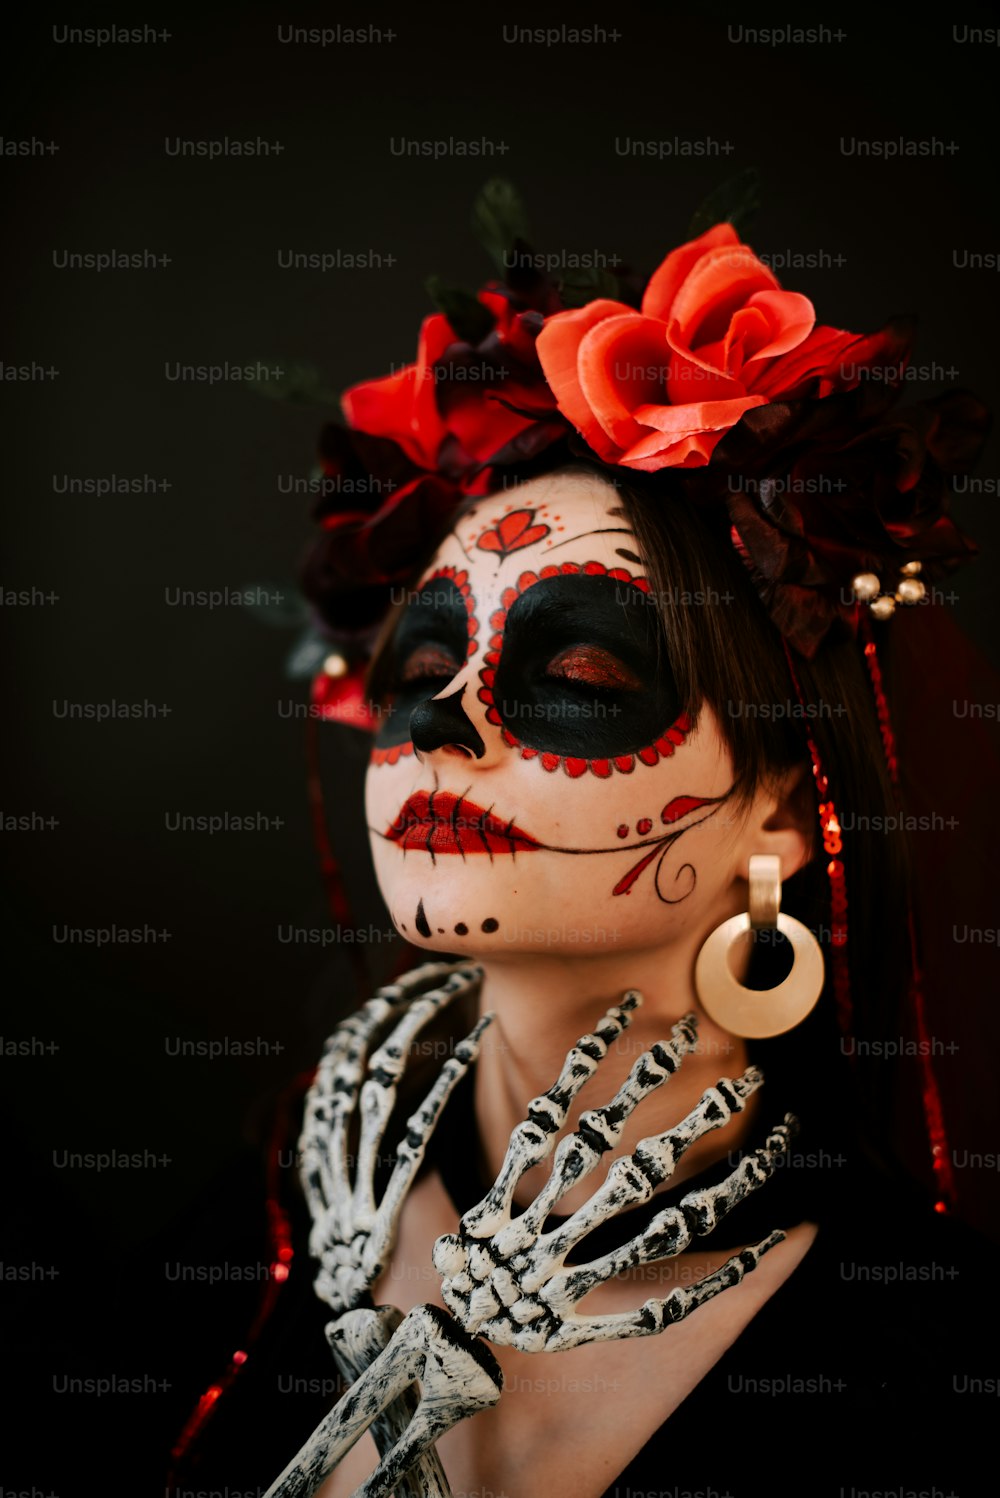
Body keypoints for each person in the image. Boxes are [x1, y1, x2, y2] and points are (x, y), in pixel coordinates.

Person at [168, 195, 997, 1498]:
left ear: (781, 810)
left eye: (585, 669)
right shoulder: (282, 1207)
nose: (448, 719)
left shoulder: (920, 1363)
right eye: (424, 662)